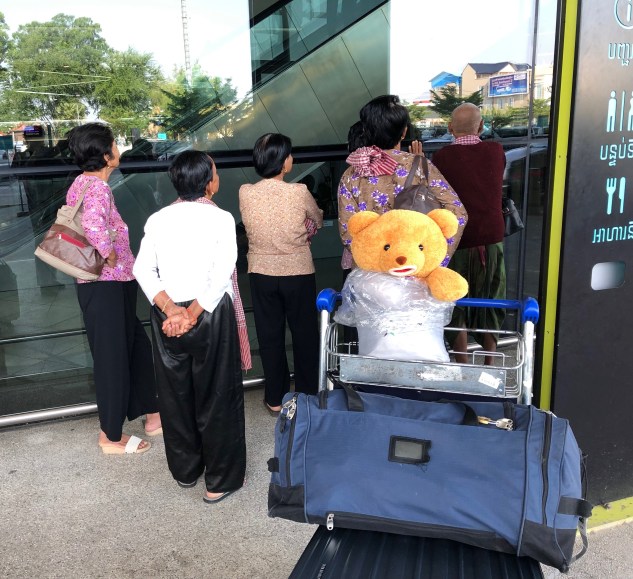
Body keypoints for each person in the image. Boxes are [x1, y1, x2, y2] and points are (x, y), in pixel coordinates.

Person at [133, 150, 249, 503]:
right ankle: (219, 481)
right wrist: (192, 314)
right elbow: (222, 272)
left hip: (166, 316)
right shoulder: (221, 218)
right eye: (215, 172)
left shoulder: (158, 219)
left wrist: (172, 310)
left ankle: (186, 470)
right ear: (209, 183)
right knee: (218, 395)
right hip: (208, 313)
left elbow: (142, 269)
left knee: (175, 394)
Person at [65, 122, 161, 454]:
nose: (119, 149)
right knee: (112, 358)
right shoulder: (97, 187)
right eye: (115, 145)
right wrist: (108, 253)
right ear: (106, 156)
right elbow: (93, 226)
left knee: (135, 345)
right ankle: (110, 435)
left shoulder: (83, 182)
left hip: (113, 283)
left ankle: (152, 413)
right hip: (104, 283)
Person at [239, 133, 323, 414]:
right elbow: (317, 218)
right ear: (284, 162)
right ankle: (307, 394)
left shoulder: (245, 192)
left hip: (261, 272)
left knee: (269, 335)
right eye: (289, 154)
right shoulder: (299, 191)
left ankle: (275, 397)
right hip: (298, 271)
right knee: (304, 334)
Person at [338, 95, 468, 275]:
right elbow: (458, 214)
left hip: (369, 276)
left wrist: (376, 263)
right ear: (404, 132)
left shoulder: (352, 173)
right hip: (414, 271)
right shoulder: (420, 166)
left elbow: (348, 231)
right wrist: (434, 260)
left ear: (365, 130)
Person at [431, 102, 507, 365]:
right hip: (491, 236)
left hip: (457, 239)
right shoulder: (496, 151)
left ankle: (462, 362)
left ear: (450, 128)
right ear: (481, 126)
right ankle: (489, 362)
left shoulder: (441, 158)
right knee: (492, 297)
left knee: (455, 299)